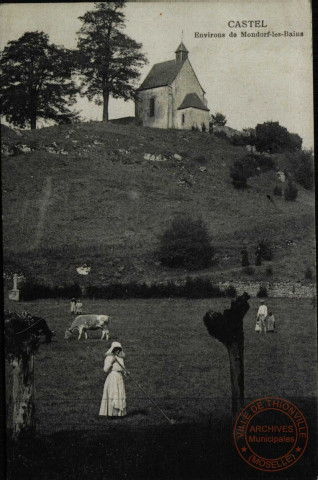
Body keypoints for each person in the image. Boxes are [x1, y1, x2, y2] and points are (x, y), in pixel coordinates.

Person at [99, 342, 127, 417]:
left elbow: (122, 368)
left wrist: (125, 372)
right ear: (113, 350)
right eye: (116, 350)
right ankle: (112, 414)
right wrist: (112, 361)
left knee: (119, 394)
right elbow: (105, 369)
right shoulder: (109, 358)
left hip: (119, 378)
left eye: (119, 350)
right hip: (113, 378)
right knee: (113, 395)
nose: (118, 351)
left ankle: (119, 414)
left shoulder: (120, 358)